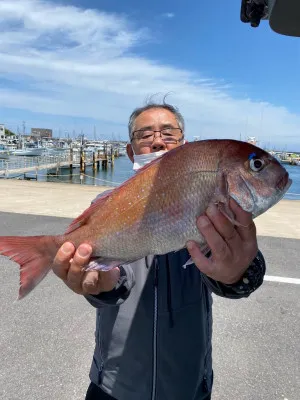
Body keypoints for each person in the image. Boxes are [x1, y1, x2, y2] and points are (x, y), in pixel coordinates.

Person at [52, 101, 266, 400]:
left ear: (186, 147)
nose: (157, 140)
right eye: (144, 135)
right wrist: (101, 285)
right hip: (113, 385)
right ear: (131, 152)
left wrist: (239, 273)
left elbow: (238, 266)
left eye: (169, 133)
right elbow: (114, 276)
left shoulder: (208, 204)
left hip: (188, 386)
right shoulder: (107, 203)